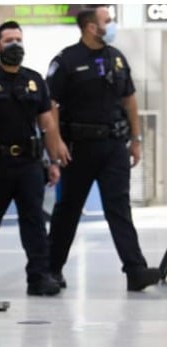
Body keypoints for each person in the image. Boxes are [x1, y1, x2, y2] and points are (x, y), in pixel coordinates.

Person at [46, 6, 161, 291]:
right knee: (68, 210)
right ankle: (50, 270)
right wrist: (56, 141)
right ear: (90, 27)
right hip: (79, 148)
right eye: (107, 21)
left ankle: (135, 271)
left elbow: (129, 99)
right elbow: (51, 104)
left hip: (114, 147)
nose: (111, 26)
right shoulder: (66, 61)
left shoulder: (117, 58)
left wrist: (135, 140)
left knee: (119, 209)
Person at [0, 21, 71, 296]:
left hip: (30, 164)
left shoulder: (35, 80)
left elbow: (47, 123)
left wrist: (53, 161)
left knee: (34, 222)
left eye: (18, 39)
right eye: (8, 39)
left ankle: (39, 278)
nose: (14, 44)